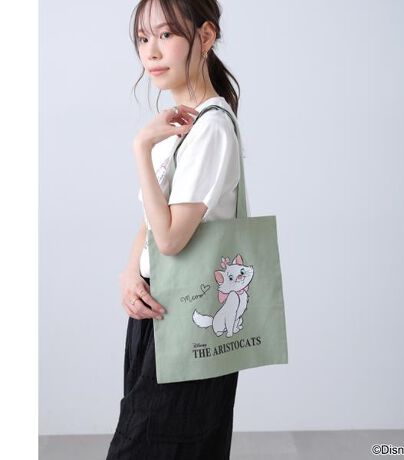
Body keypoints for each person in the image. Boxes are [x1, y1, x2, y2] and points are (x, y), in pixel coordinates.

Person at [106, 0, 243, 458]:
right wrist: (131, 274)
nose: (151, 51)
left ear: (205, 36)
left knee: (150, 446)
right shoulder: (183, 124)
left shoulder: (211, 129)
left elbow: (168, 239)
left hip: (186, 317)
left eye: (166, 35)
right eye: (143, 38)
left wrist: (140, 148)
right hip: (156, 311)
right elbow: (152, 221)